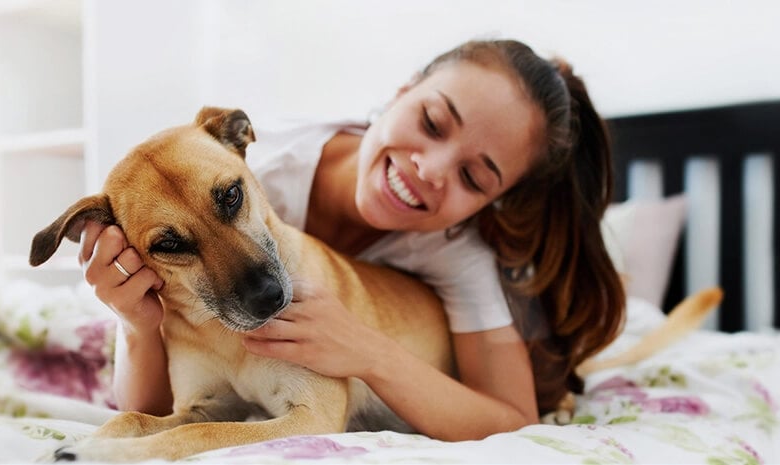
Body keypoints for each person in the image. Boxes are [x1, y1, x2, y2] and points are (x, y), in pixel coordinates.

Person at [74, 39, 626, 441]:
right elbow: (151, 408)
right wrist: (136, 326)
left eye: (474, 177)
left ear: (490, 202)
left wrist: (368, 351)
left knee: (550, 363)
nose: (428, 170)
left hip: (452, 333)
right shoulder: (249, 164)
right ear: (402, 92)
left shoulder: (459, 249)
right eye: (432, 122)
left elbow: (512, 418)